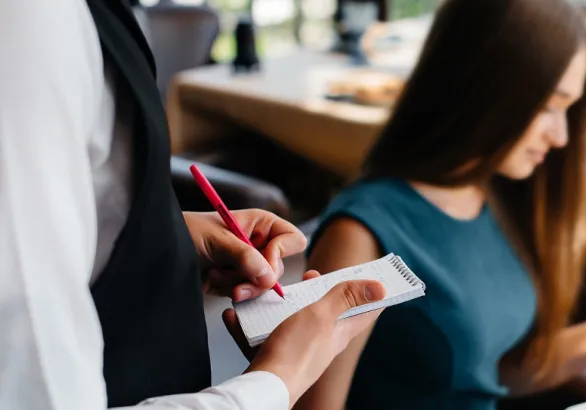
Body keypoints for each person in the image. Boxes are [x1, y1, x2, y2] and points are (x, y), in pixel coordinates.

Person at [298, 1, 586, 409]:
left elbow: (496, 372)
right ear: (486, 87)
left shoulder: (495, 195)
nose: (561, 137)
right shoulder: (360, 235)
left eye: (568, 110)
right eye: (550, 106)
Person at [0, 0, 384, 408]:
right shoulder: (29, 20)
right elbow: (37, 392)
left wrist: (166, 233)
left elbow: (62, 205)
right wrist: (281, 378)